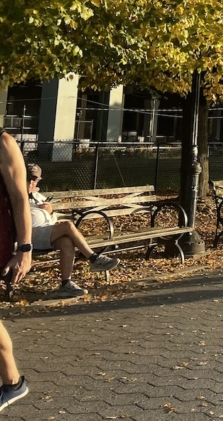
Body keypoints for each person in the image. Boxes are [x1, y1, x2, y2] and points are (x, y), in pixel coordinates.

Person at [26, 165, 119, 298]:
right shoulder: (17, 195)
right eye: (28, 179)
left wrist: (50, 211)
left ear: (38, 181)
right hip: (30, 235)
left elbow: (51, 220)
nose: (31, 183)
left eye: (34, 180)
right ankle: (94, 259)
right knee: (68, 225)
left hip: (46, 232)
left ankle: (66, 284)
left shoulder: (38, 196)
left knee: (66, 241)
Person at [0, 128, 32, 410]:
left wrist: (24, 249)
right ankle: (12, 384)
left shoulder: (3, 143)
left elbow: (21, 197)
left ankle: (13, 384)